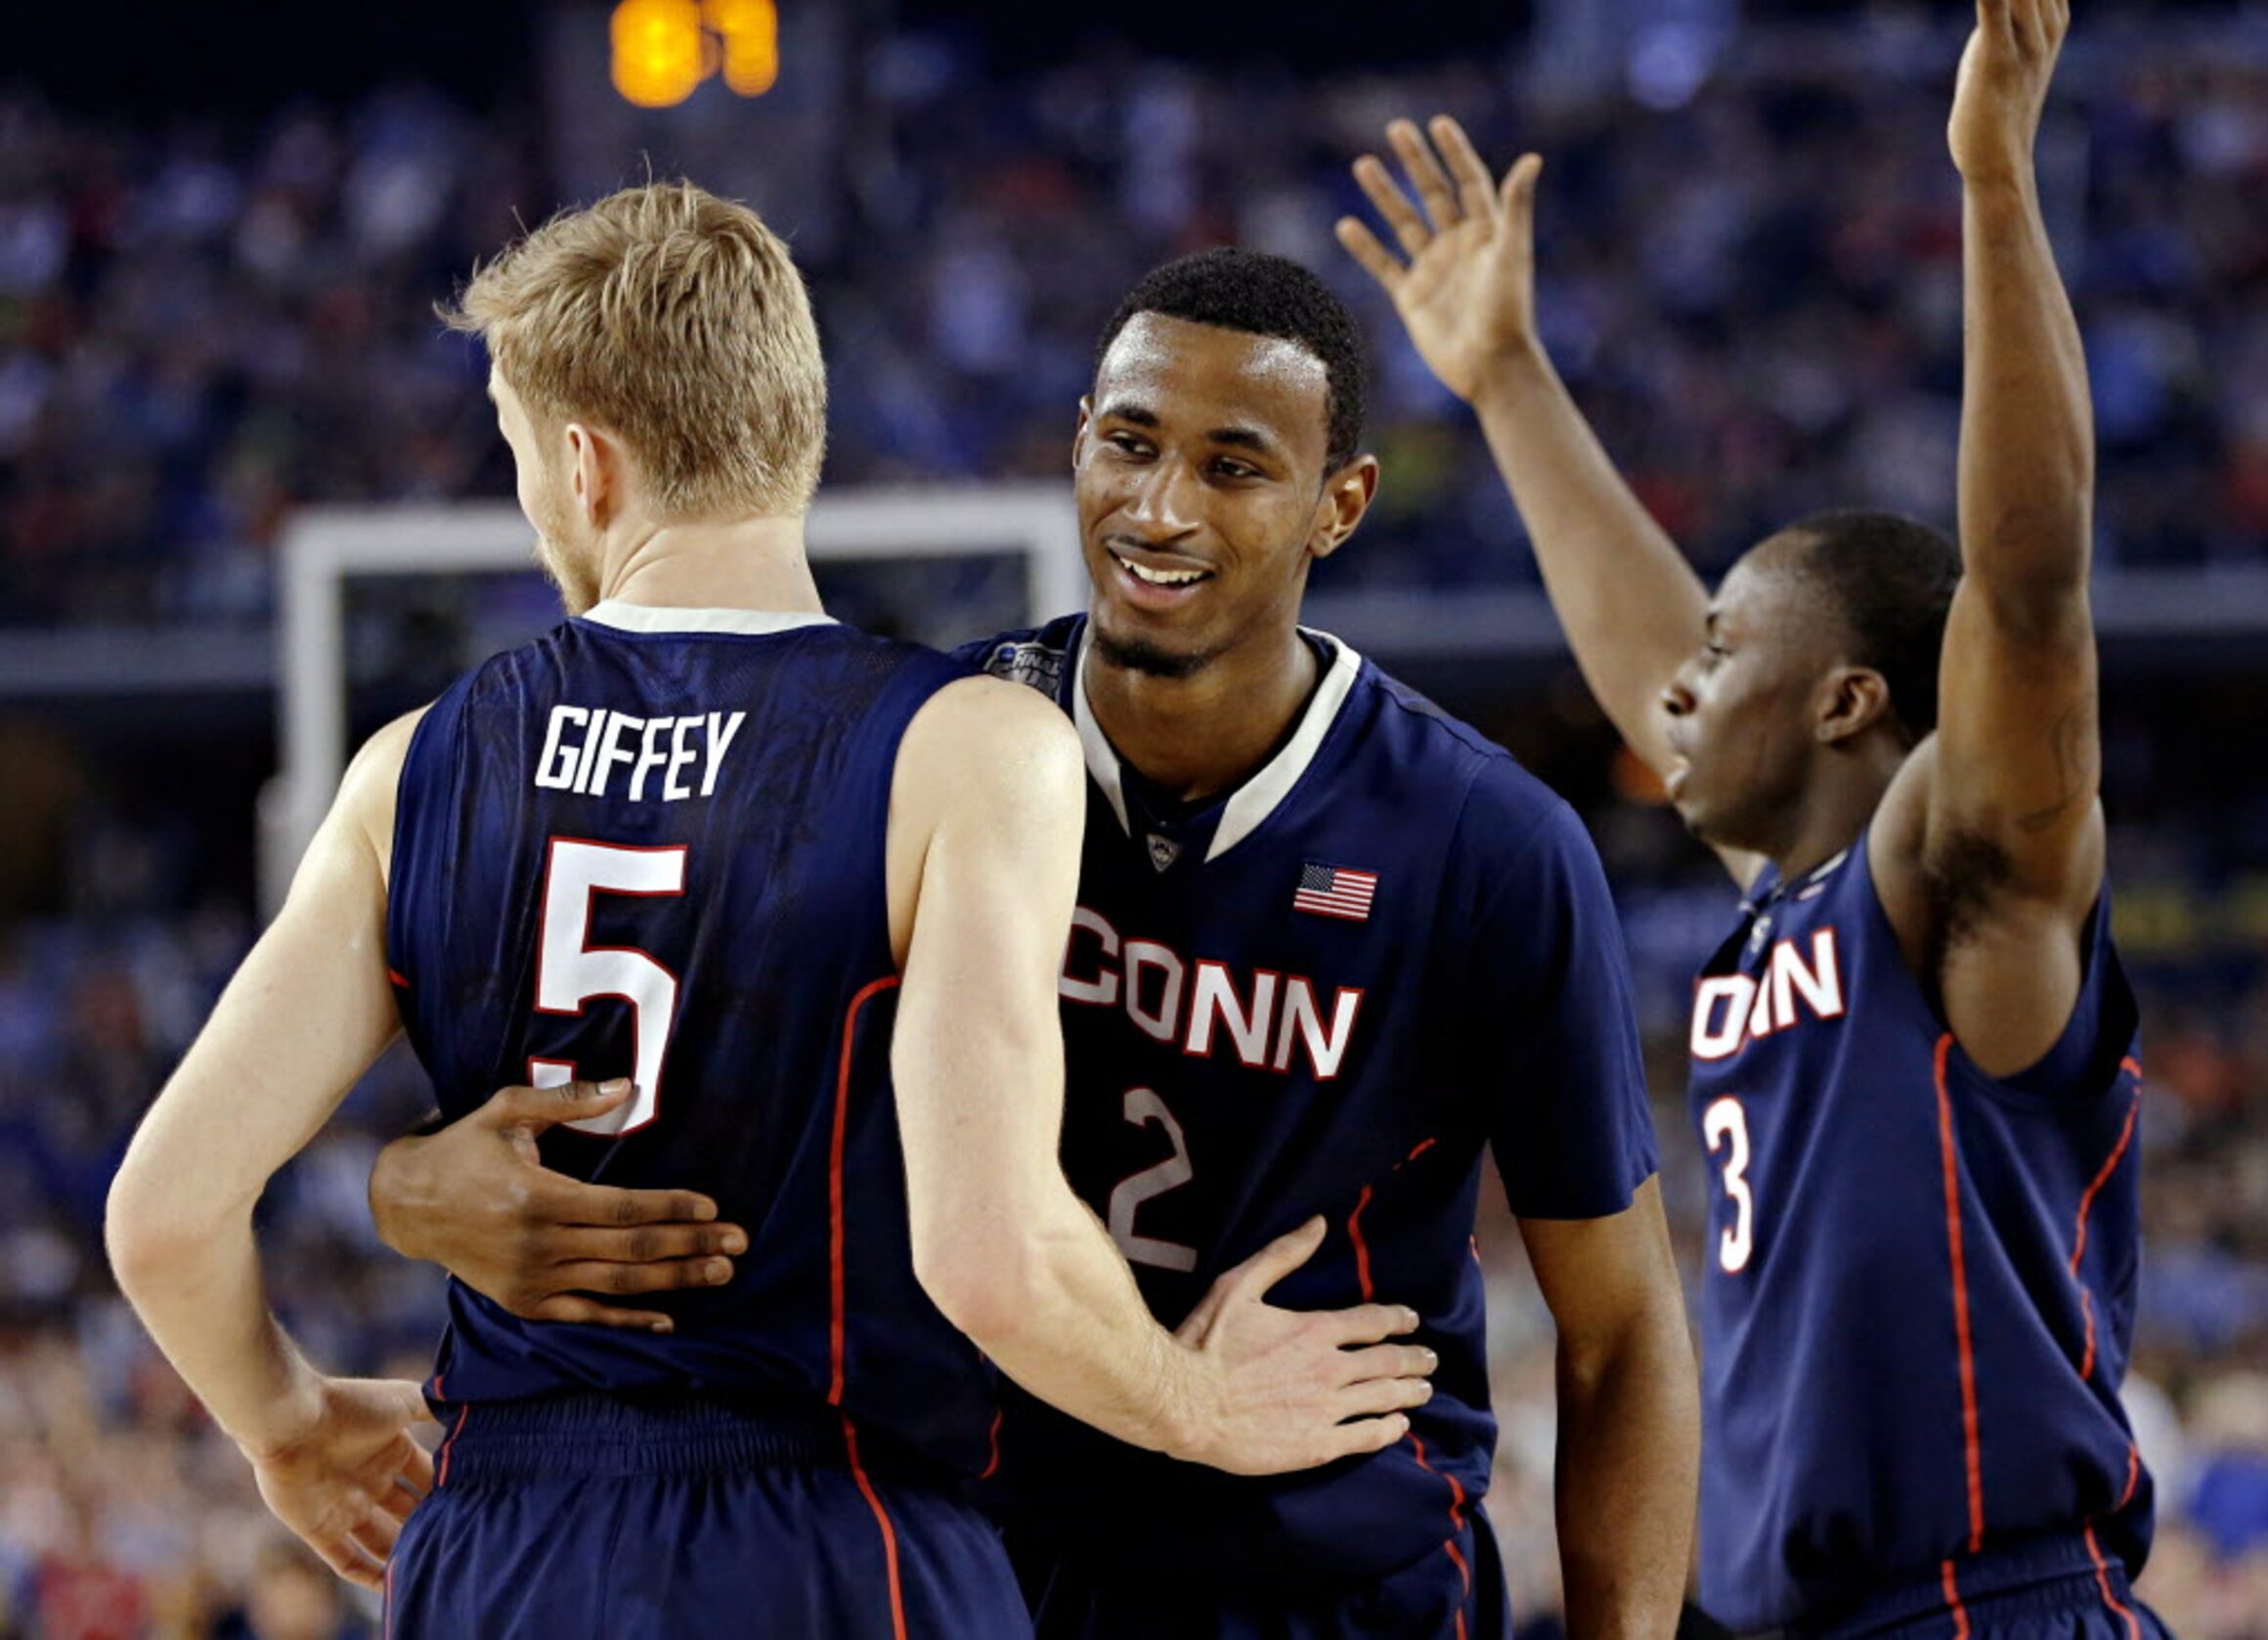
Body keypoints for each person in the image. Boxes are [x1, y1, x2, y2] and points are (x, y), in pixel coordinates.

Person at [106, 183, 1435, 1637]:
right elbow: (988, 1260)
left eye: (521, 465)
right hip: (832, 1524)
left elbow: (164, 1216)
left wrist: (286, 1422)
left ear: (583, 461)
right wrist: (1203, 1407)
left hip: (502, 1532)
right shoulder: (968, 746)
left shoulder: (408, 767)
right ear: (792, 426)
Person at [371, 244, 1701, 1637]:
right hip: (981, 1557)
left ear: (1338, 503)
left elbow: (1619, 1333)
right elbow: (699, 1103)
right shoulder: (934, 748)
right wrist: (404, 1185)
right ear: (1077, 439)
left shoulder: (1485, 843)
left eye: (1233, 467)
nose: (1160, 506)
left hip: (1326, 1574)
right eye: (1127, 442)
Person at [1337, 0, 2164, 1640]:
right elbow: (1650, 675)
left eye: (1731, 647)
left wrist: (1993, 181)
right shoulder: (1788, 908)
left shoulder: (1966, 891)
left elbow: (2025, 584)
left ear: (1856, 697)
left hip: (1986, 1606)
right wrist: (1504, 383)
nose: (1679, 689)